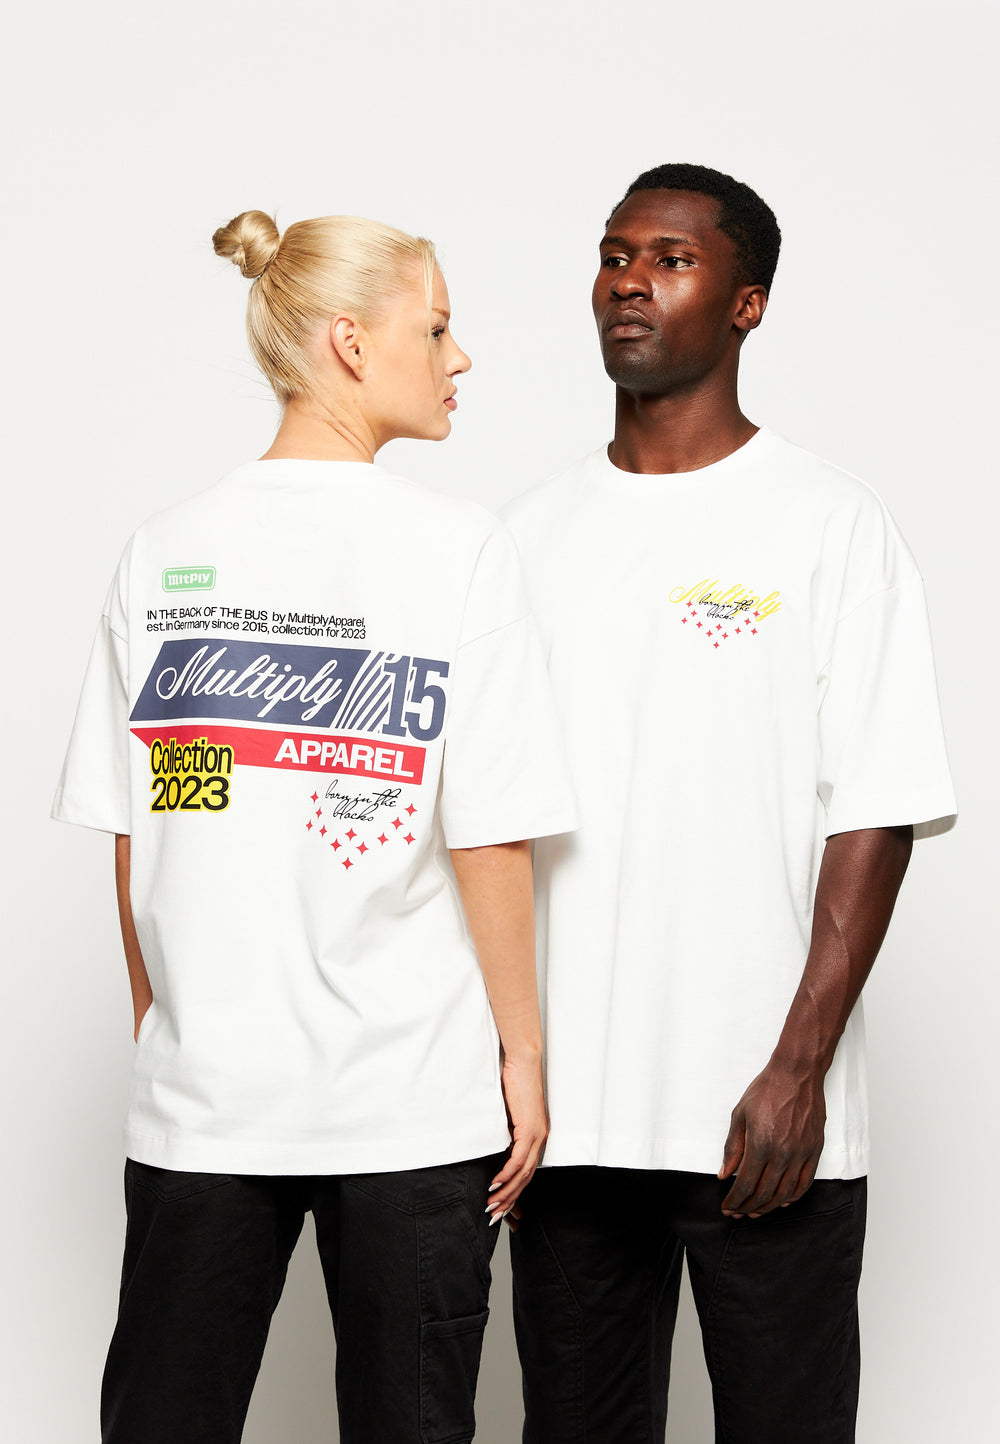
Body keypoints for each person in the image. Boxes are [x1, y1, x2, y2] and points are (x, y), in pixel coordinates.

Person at [52, 208, 576, 1444]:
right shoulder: (459, 549)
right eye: (434, 329)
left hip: (207, 1097)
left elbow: (148, 825)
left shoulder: (166, 548)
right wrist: (523, 1055)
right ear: (349, 340)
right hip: (413, 1101)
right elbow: (486, 833)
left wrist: (172, 1027)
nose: (458, 356)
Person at [503, 163, 957, 1444]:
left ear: (747, 303)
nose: (629, 281)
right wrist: (506, 1066)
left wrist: (798, 1068)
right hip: (567, 1127)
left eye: (671, 258)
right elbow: (485, 828)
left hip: (763, 1119)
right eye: (613, 254)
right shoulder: (525, 538)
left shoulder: (828, 523)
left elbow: (876, 804)